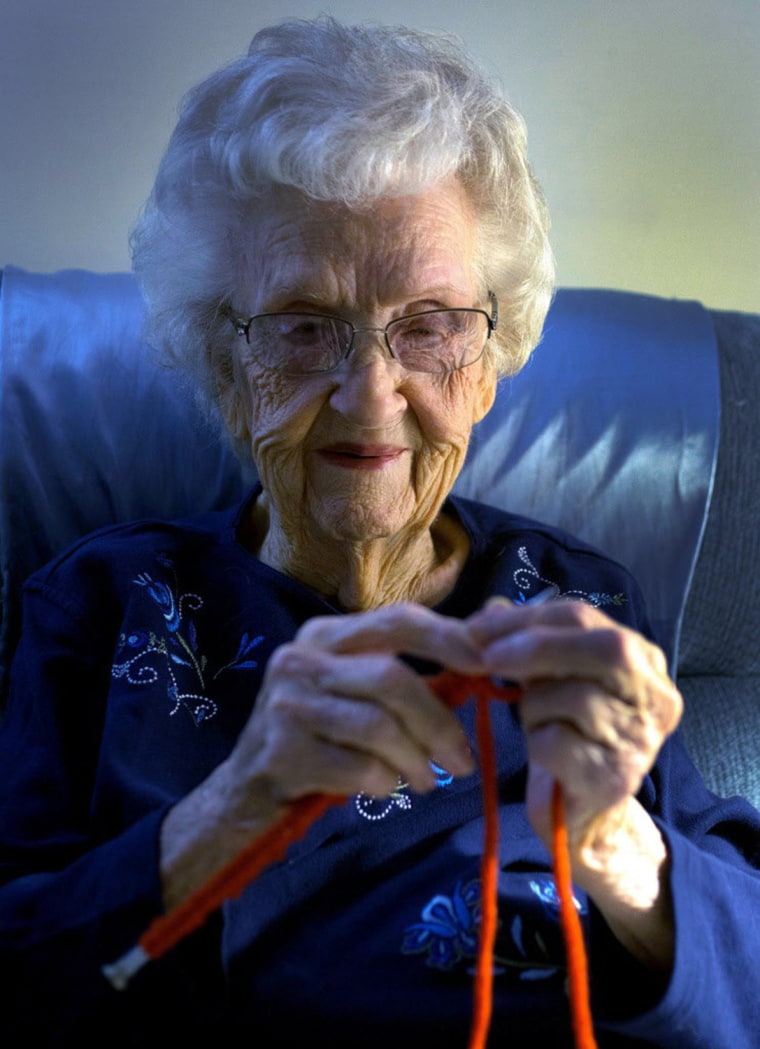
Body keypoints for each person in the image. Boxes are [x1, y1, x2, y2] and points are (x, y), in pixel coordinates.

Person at [0, 16, 757, 1048]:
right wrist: (237, 801)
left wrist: (617, 843)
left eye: (428, 326)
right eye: (304, 325)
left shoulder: (574, 601)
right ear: (223, 365)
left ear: (490, 360)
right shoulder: (102, 601)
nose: (370, 395)